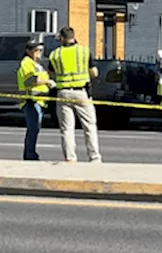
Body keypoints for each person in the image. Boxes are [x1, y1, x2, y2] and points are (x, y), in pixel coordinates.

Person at [48, 26, 102, 163]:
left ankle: (70, 158)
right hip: (81, 92)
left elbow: (51, 73)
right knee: (89, 126)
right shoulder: (84, 51)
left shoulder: (55, 54)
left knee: (67, 129)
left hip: (63, 93)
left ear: (61, 38)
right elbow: (94, 72)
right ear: (73, 36)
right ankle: (94, 157)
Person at [17, 38, 55, 161]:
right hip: (31, 101)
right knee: (33, 129)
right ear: (28, 51)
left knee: (35, 128)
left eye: (40, 50)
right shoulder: (27, 63)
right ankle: (30, 155)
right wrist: (48, 82)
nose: (38, 52)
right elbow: (30, 80)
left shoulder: (37, 64)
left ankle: (31, 154)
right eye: (36, 50)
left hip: (39, 100)